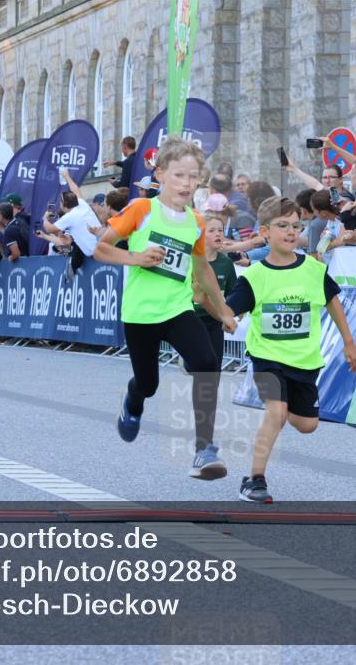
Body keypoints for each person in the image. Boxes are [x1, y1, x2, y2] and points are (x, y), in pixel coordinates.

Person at [92, 137, 237, 480]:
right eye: (179, 175)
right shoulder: (142, 210)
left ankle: (204, 449)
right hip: (140, 313)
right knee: (148, 384)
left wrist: (223, 310)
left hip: (177, 309)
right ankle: (133, 399)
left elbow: (202, 268)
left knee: (206, 362)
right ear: (160, 175)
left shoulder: (196, 222)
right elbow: (101, 249)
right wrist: (137, 257)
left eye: (193, 176)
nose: (187, 183)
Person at [226, 196, 356, 503]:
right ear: (264, 232)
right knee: (276, 412)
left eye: (296, 226)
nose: (291, 232)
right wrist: (225, 317)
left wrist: (349, 342)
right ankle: (254, 480)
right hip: (267, 358)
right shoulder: (255, 276)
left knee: (307, 425)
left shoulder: (313, 269)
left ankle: (286, 408)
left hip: (304, 360)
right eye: (282, 225)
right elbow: (230, 310)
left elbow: (333, 301)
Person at [188, 215, 237, 381]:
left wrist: (236, 310)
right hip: (193, 319)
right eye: (212, 230)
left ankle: (209, 396)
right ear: (201, 235)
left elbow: (232, 293)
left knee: (214, 368)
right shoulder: (190, 260)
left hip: (216, 320)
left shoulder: (226, 263)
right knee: (196, 365)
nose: (218, 234)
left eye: (221, 230)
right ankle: (187, 361)